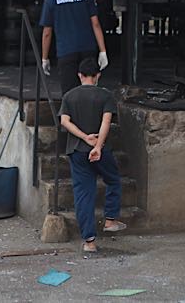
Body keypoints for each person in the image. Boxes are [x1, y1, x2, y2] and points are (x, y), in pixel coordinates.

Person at [58, 57, 125, 253]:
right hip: (100, 150)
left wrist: (84, 137)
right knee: (113, 180)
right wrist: (98, 146)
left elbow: (64, 122)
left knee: (83, 194)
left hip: (77, 150)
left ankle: (89, 241)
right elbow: (106, 122)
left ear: (79, 75)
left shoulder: (69, 96)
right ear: (98, 76)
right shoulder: (105, 96)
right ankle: (110, 220)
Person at [40, 0, 109, 95]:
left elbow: (47, 33)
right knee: (90, 92)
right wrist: (103, 51)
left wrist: (44, 58)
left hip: (66, 52)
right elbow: (95, 24)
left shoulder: (51, 0)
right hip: (88, 50)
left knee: (69, 95)